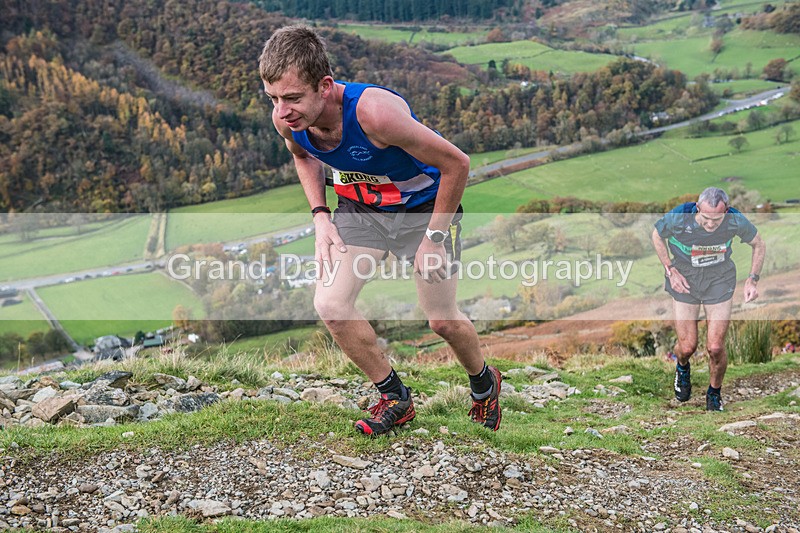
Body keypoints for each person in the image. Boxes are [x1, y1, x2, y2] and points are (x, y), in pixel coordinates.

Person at [258, 25, 501, 436]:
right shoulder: (289, 120)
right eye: (274, 99)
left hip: (424, 209)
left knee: (441, 320)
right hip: (361, 209)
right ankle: (395, 397)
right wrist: (320, 215)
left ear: (325, 86)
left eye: (293, 98)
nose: (282, 111)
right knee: (332, 307)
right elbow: (304, 156)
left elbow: (457, 164)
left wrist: (435, 237)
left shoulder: (375, 114)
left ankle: (483, 383)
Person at [651, 187, 766, 411]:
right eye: (705, 218)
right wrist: (670, 270)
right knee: (687, 346)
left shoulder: (734, 220)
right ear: (697, 208)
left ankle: (714, 393)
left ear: (727, 211)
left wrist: (752, 280)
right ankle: (682, 367)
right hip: (685, 279)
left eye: (717, 219)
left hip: (719, 279)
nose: (711, 224)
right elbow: (657, 235)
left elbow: (758, 243)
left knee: (715, 347)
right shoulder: (680, 216)